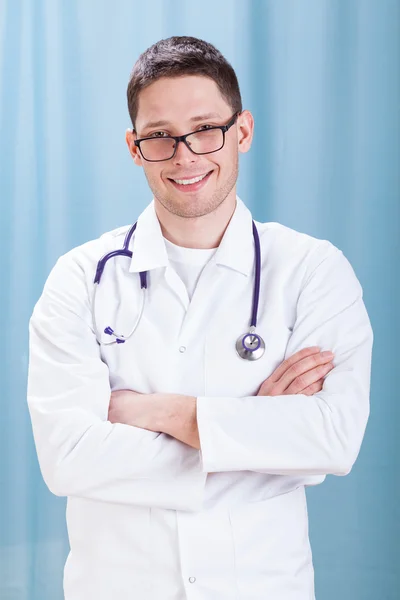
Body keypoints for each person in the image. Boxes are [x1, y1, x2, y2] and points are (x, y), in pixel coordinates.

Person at [27, 36, 373, 600]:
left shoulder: (312, 270)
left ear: (242, 131)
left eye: (205, 128)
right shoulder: (80, 278)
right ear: (134, 147)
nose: (185, 155)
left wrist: (156, 412)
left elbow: (332, 441)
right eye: (160, 136)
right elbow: (67, 460)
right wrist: (257, 435)